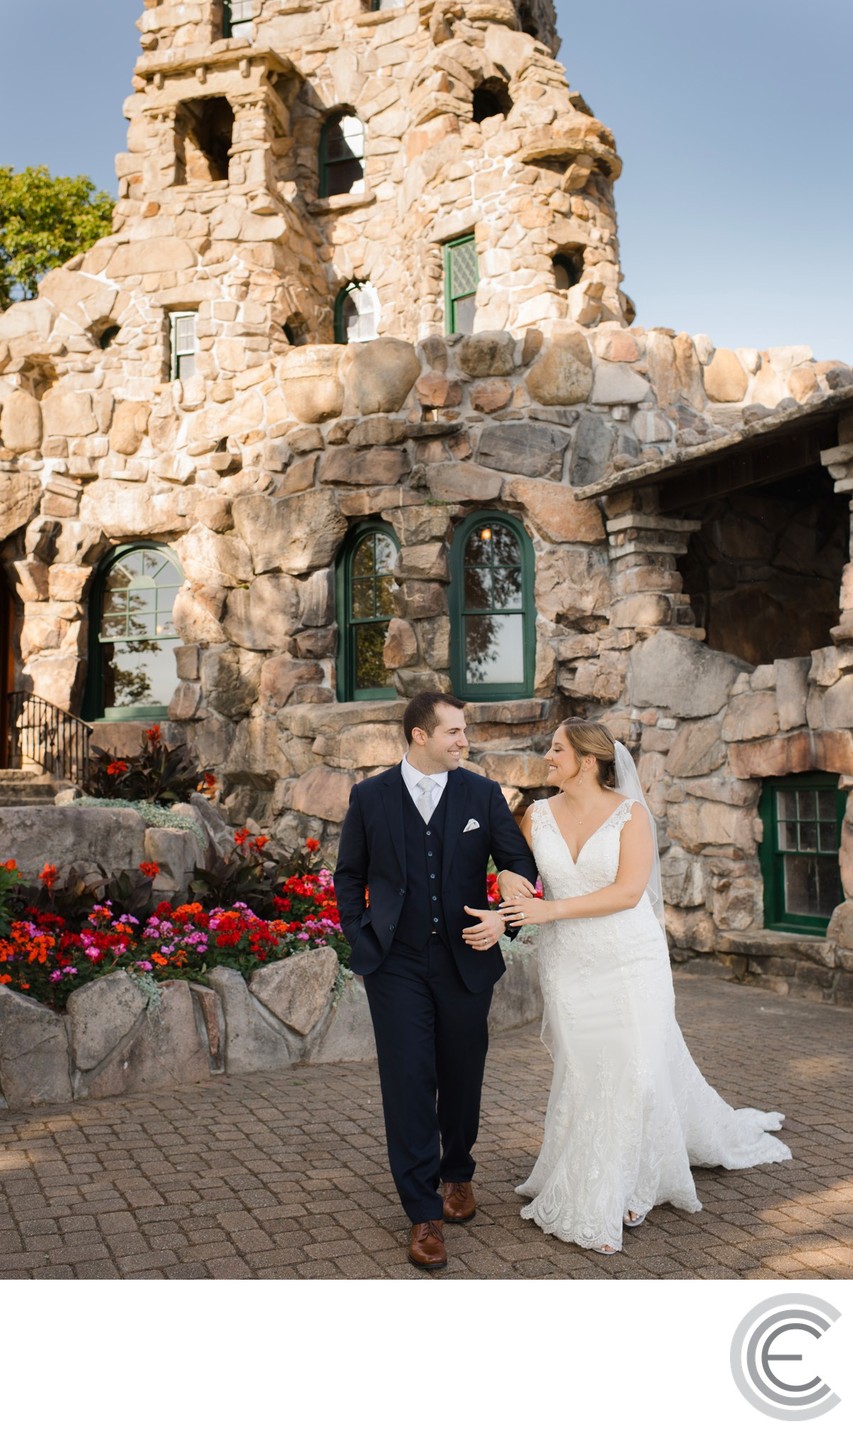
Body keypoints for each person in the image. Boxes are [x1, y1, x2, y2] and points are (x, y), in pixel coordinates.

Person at [499, 718, 791, 1255]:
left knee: (636, 1069)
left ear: (588, 761)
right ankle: (586, 1164)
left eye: (556, 748)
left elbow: (630, 891)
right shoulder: (536, 816)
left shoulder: (631, 814)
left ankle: (637, 1182)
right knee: (584, 1068)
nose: (547, 756)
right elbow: (514, 869)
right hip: (568, 963)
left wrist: (550, 909)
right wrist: (505, 879)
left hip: (630, 959)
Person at [334, 691, 537, 1271]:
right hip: (394, 964)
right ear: (420, 735)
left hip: (464, 960)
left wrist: (504, 915)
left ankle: (459, 1172)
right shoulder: (370, 796)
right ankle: (422, 1212)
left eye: (464, 732)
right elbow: (349, 876)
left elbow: (519, 864)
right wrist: (362, 934)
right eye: (453, 732)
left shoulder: (481, 793)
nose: (463, 741)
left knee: (462, 1076)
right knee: (408, 1082)